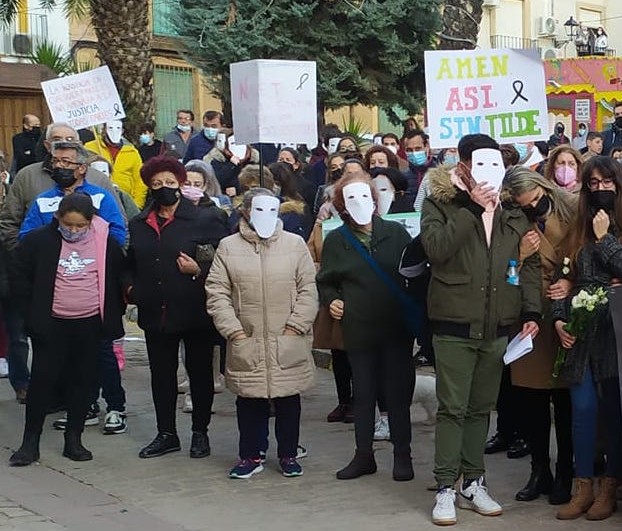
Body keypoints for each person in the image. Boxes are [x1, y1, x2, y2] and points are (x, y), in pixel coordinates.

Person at [419, 135, 544, 526]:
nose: (489, 173)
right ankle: (445, 485)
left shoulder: (511, 210)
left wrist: (531, 310)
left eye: (496, 164)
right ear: (463, 167)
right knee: (452, 408)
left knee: (479, 408)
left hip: (497, 324)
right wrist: (471, 208)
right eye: (480, 165)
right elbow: (436, 249)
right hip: (454, 321)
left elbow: (525, 264)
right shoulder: (439, 203)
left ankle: (473, 482)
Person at [205, 189, 318, 479]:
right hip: (247, 339)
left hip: (287, 339)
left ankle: (288, 453)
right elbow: (217, 292)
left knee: (288, 399)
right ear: (245, 211)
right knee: (249, 399)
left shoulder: (294, 245)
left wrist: (296, 326)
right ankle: (251, 454)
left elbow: (308, 288)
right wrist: (234, 331)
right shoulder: (228, 247)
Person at [7, 192, 128, 466]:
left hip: (89, 324)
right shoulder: (38, 241)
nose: (73, 231)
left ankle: (74, 438)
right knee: (42, 381)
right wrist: (30, 315)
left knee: (82, 381)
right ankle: (30, 442)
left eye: (80, 226)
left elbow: (118, 276)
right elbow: (18, 278)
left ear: (91, 221)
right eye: (68, 224)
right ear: (57, 218)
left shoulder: (105, 243)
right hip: (51, 324)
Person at [314, 171, 416, 483]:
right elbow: (326, 280)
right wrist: (332, 299)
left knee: (397, 394)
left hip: (396, 329)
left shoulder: (396, 233)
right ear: (342, 205)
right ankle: (363, 455)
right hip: (358, 329)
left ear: (374, 200)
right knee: (364, 393)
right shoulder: (337, 240)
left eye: (364, 196)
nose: (359, 203)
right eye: (351, 198)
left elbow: (415, 273)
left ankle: (403, 454)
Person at [554, 182, 622, 520]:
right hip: (579, 334)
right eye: (593, 184)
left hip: (615, 335)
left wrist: (605, 238)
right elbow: (560, 282)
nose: (600, 189)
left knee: (613, 411)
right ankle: (583, 486)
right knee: (583, 408)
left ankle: (610, 486)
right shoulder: (574, 234)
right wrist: (559, 320)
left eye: (607, 183)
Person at [127, 155, 227, 461]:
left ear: (180, 184)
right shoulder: (139, 223)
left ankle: (200, 432)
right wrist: (130, 289)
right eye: (157, 183)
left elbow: (225, 260)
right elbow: (129, 263)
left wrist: (199, 269)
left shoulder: (204, 219)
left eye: (170, 182)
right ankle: (166, 433)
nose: (164, 188)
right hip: (155, 311)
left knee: (199, 373)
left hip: (194, 310)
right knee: (162, 375)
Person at [497, 166, 578, 505]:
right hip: (528, 314)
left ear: (544, 188)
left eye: (536, 200)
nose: (533, 208)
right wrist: (518, 256)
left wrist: (571, 282)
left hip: (569, 311)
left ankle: (566, 471)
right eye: (525, 205)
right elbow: (500, 275)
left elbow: (590, 255)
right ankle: (539, 469)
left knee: (565, 400)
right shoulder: (509, 221)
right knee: (532, 400)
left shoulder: (573, 210)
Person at [88, 120, 145, 212]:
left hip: (125, 204)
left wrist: (136, 204)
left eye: (118, 128)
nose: (114, 131)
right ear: (104, 129)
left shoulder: (132, 152)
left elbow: (140, 181)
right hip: (96, 202)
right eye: (110, 128)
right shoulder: (89, 148)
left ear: (122, 131)